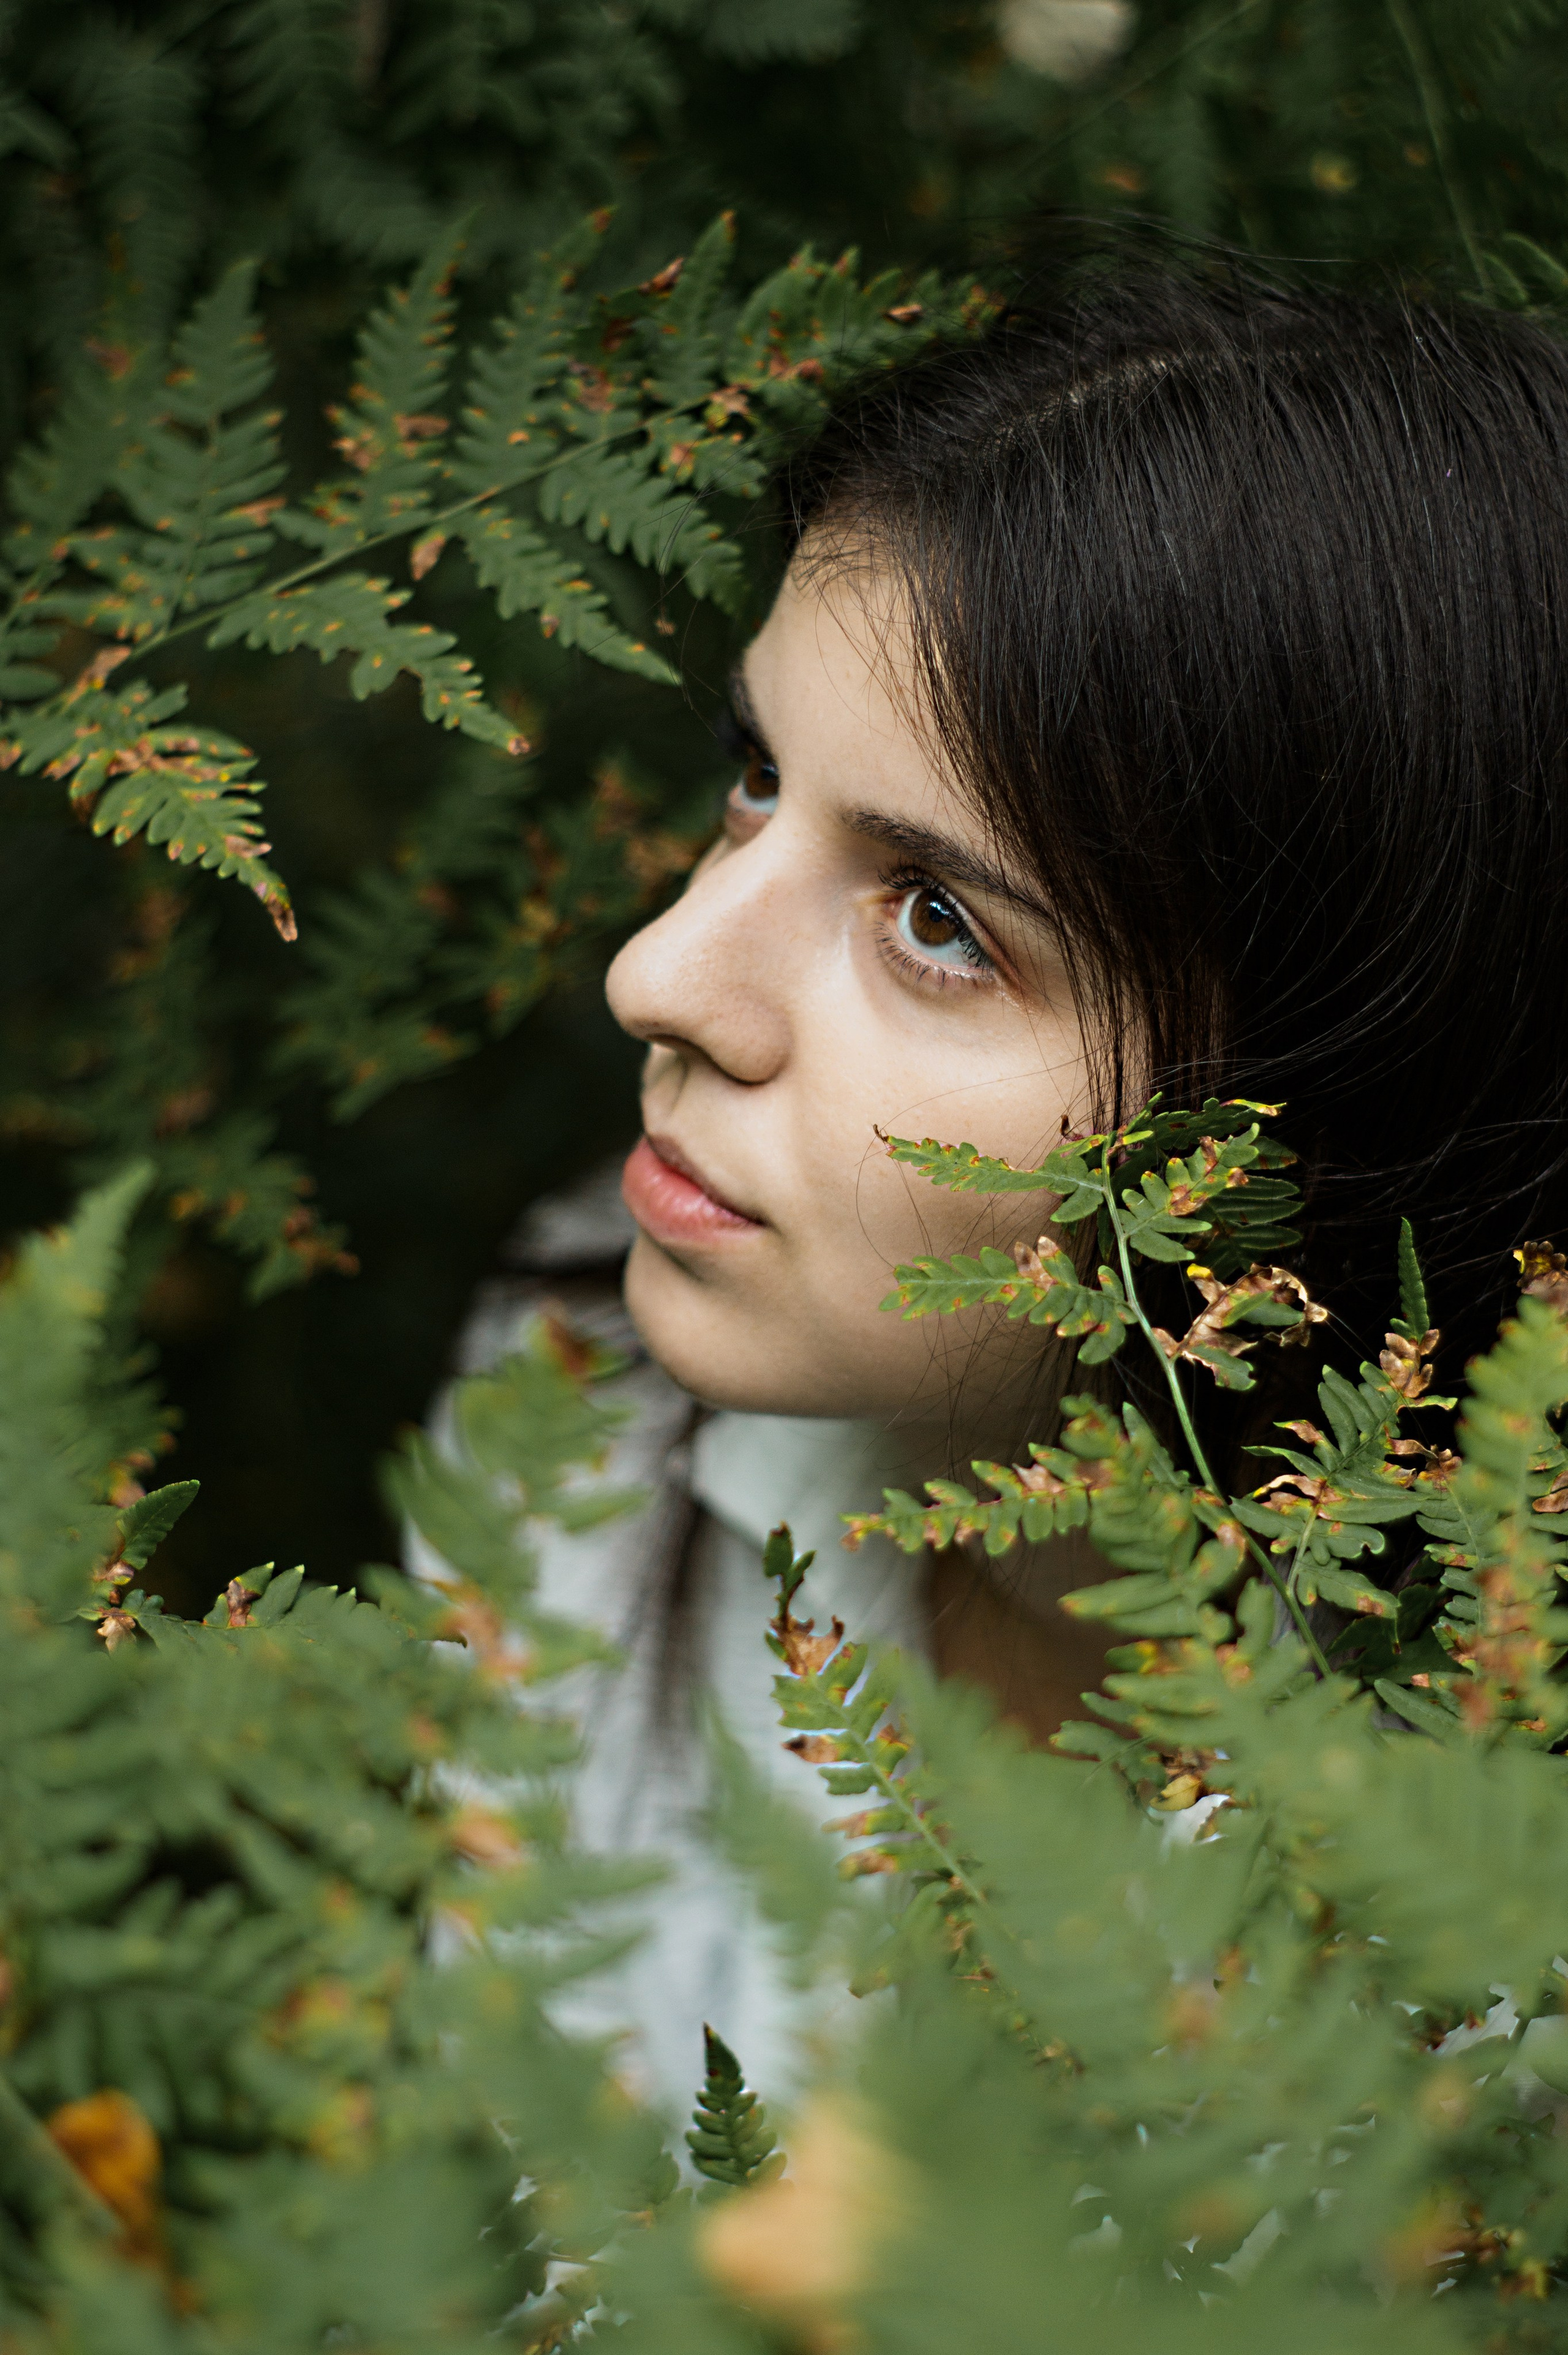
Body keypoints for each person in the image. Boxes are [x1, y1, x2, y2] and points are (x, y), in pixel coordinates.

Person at [420, 257, 1568, 2114]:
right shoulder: (570, 1410)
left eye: (941, 919)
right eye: (753, 777)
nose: (659, 975)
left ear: (1316, 1118)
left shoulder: (1490, 1972)